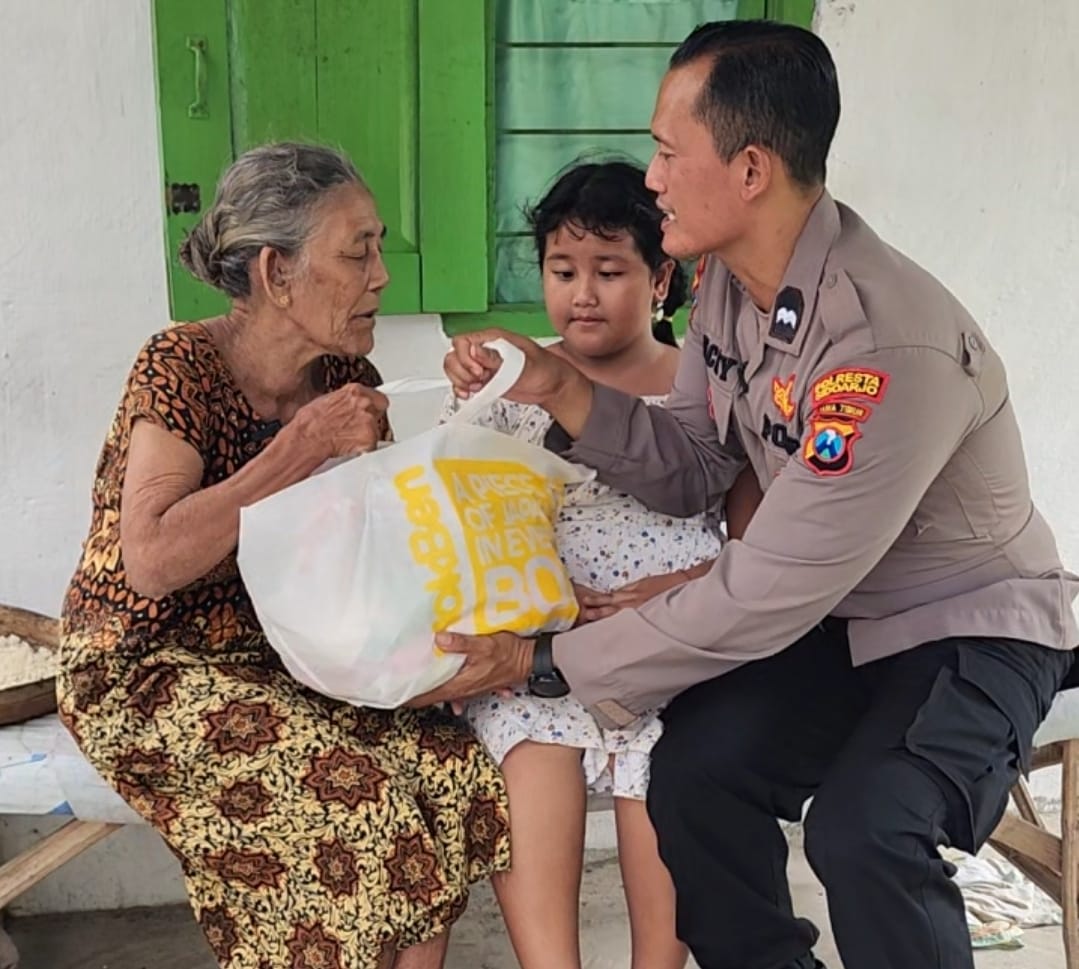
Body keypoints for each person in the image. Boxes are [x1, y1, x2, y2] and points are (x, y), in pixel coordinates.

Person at [420, 20, 1079, 969]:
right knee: (693, 774)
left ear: (750, 170)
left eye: (665, 150)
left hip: (967, 625)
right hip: (844, 618)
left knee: (867, 828)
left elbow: (770, 586)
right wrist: (562, 387)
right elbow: (692, 459)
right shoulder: (732, 283)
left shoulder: (878, 345)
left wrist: (541, 661)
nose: (649, 177)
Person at [57, 142, 510, 969]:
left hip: (291, 658)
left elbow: (379, 548)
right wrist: (296, 450)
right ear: (275, 272)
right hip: (148, 670)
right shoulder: (182, 365)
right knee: (355, 802)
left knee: (449, 773)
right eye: (356, 250)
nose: (380, 274)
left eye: (378, 246)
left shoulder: (344, 373)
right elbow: (151, 558)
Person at [442, 159, 762, 969]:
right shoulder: (511, 388)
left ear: (662, 278)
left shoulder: (705, 386)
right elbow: (471, 514)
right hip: (539, 649)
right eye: (562, 269)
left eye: (609, 270)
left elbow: (759, 550)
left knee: (665, 774)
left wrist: (680, 595)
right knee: (526, 746)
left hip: (670, 650)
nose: (582, 292)